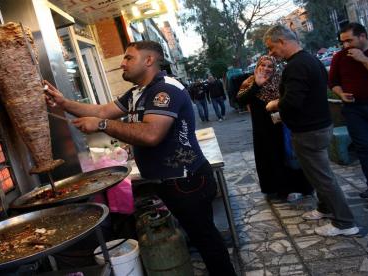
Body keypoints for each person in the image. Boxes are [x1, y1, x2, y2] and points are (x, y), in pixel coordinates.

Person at [43, 41, 236, 275]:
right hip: (169, 182)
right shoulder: (138, 92)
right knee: (199, 235)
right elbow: (102, 111)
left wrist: (102, 126)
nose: (122, 63)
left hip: (186, 181)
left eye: (128, 58)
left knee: (206, 239)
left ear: (148, 60)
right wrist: (63, 103)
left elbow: (151, 134)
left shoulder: (165, 90)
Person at [263, 25, 359, 237]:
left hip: (309, 131)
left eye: (271, 47)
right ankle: (325, 208)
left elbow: (292, 102)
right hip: (319, 126)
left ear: (282, 42)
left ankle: (345, 222)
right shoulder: (310, 59)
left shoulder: (296, 66)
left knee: (322, 178)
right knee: (319, 175)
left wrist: (275, 105)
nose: (271, 53)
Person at [236, 55, 313, 200]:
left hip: (283, 126)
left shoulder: (281, 80)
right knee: (269, 158)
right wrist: (256, 85)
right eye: (262, 65)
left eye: (270, 66)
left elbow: (291, 99)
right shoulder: (249, 82)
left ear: (275, 68)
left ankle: (299, 187)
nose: (266, 68)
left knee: (289, 155)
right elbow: (240, 100)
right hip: (262, 130)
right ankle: (276, 189)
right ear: (257, 66)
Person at [328, 22, 368, 199]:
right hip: (353, 109)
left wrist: (363, 60)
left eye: (349, 41)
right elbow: (333, 82)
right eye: (342, 42)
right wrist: (341, 93)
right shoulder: (339, 57)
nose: (346, 45)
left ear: (362, 37)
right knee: (363, 147)